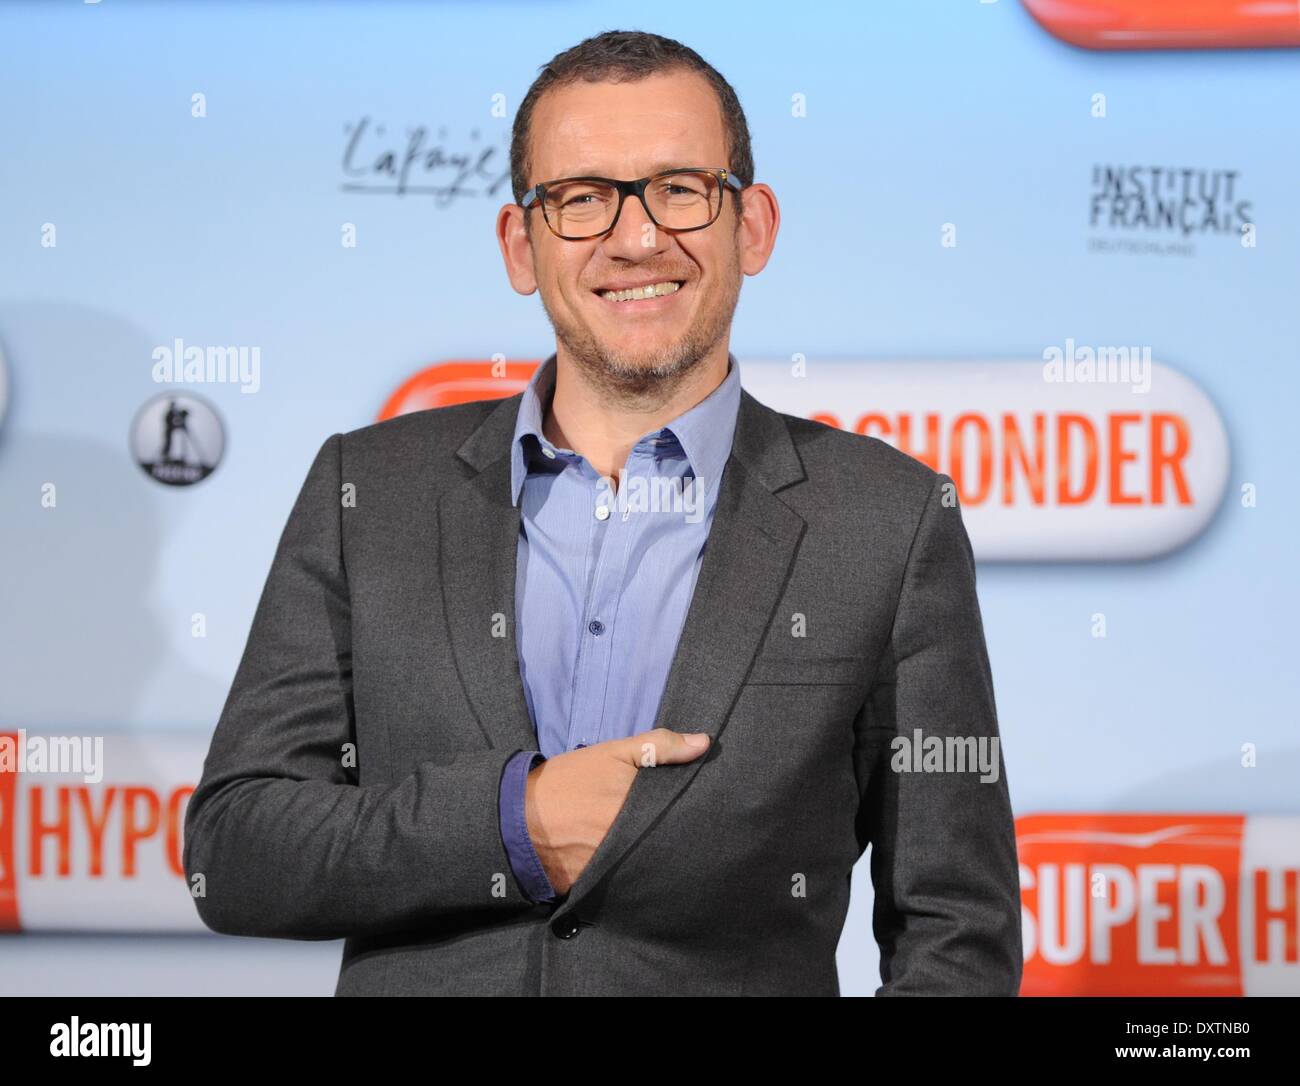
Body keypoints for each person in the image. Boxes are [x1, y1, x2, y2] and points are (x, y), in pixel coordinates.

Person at [184, 29, 1022, 996]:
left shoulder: (885, 519)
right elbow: (236, 851)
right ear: (520, 244)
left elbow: (955, 931)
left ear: (752, 225)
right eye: (581, 198)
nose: (636, 238)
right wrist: (515, 821)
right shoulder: (367, 492)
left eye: (679, 188)